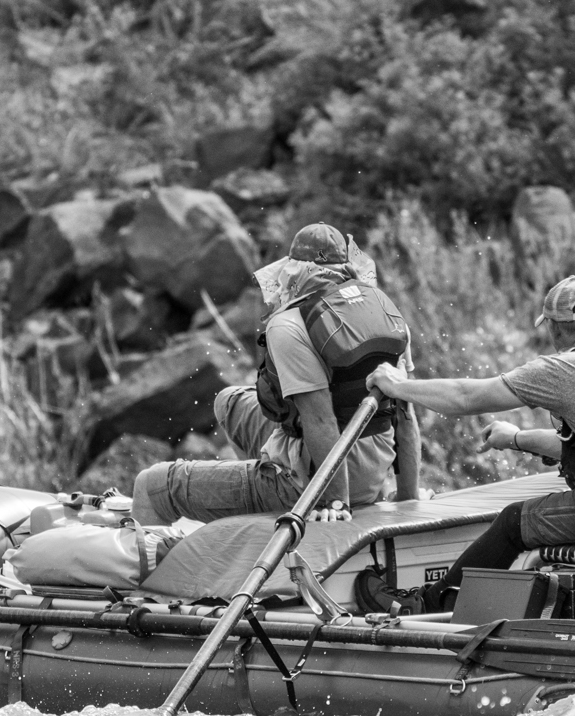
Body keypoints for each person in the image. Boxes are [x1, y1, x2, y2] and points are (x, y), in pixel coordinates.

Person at [366, 275, 575, 610]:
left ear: (554, 328)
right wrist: (515, 438)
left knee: (514, 522)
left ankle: (429, 605)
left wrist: (398, 386)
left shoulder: (567, 367)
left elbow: (468, 397)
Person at [133, 224, 420, 525]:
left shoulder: (290, 325)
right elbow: (405, 413)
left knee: (152, 485)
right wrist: (408, 497)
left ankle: (272, 492)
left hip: (315, 482)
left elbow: (321, 421)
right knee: (228, 400)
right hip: (374, 471)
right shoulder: (386, 313)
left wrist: (336, 503)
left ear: (295, 270)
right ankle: (258, 504)